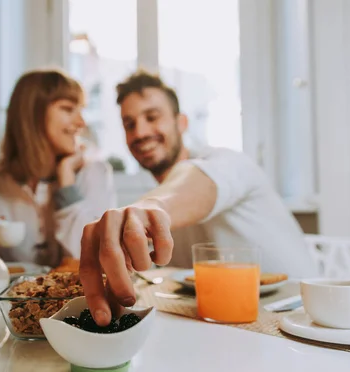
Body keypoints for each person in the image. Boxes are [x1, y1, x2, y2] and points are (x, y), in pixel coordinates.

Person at [79, 70, 316, 326]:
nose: (140, 132)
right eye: (129, 124)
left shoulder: (227, 162)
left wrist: (149, 208)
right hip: (226, 324)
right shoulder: (159, 196)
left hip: (299, 315)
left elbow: (193, 181)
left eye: (152, 117)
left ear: (182, 123)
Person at [0, 69, 116, 267]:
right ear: (32, 115)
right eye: (68, 109)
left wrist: (67, 184)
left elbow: (97, 258)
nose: (81, 123)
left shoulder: (95, 174)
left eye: (81, 110)